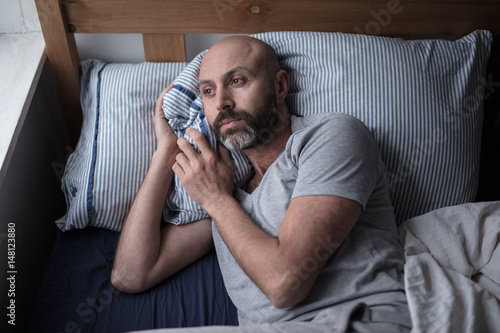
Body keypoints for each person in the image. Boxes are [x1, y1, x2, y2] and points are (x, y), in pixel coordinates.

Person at [111, 36, 412, 332]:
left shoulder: (330, 136)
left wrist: (216, 201)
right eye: (208, 91)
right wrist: (165, 153)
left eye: (237, 81)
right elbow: (130, 275)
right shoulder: (227, 192)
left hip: (361, 320)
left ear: (280, 86)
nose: (222, 102)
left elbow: (286, 284)